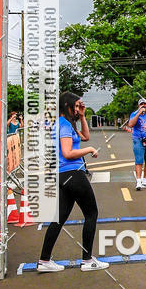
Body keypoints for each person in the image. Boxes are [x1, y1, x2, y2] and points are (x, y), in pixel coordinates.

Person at [37, 92, 107, 272]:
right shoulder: (65, 125)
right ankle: (87, 260)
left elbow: (85, 136)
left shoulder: (63, 124)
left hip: (62, 175)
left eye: (79, 106)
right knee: (91, 213)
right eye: (75, 106)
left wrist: (83, 117)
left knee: (59, 218)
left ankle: (44, 261)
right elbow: (68, 153)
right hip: (73, 173)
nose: (77, 109)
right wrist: (89, 150)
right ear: (66, 106)